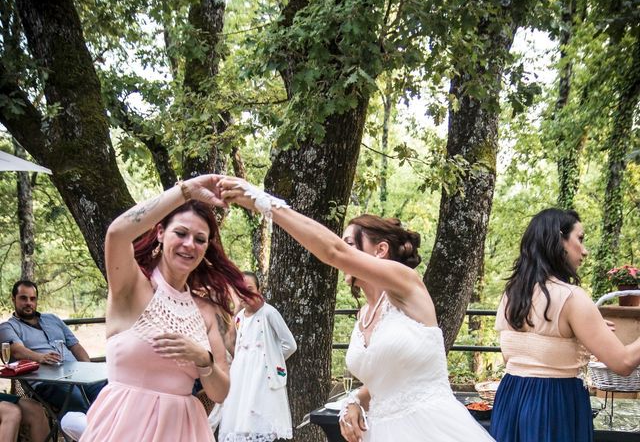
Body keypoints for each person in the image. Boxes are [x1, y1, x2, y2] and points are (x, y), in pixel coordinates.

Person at [217, 176, 494, 442]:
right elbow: (386, 382)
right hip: (382, 431)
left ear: (380, 250)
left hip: (433, 429)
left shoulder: (407, 287)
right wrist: (355, 400)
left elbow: (333, 252)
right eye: (345, 244)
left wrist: (262, 202)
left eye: (350, 243)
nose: (343, 254)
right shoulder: (363, 317)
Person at [79, 176, 256, 442]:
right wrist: (184, 192)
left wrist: (202, 359)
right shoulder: (132, 287)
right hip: (123, 429)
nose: (189, 245)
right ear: (160, 233)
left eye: (200, 239)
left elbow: (220, 392)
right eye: (181, 233)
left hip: (182, 430)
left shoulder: (206, 311)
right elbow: (117, 233)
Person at [490, 208, 640, 442]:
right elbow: (623, 363)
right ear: (558, 240)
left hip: (511, 397)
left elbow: (516, 358)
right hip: (553, 403)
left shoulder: (511, 295)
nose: (585, 251)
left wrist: (580, 342)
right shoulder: (572, 297)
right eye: (579, 239)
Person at [0, 280, 105, 414]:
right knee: (81, 408)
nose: (29, 303)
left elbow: (75, 346)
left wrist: (89, 369)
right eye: (23, 298)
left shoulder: (52, 319)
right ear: (13, 299)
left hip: (78, 375)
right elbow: (16, 350)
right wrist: (40, 357)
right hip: (48, 383)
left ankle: (110, 432)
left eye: (33, 299)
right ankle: (88, 432)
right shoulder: (7, 327)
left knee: (109, 394)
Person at [218, 271, 297, 441]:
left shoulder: (269, 313)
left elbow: (289, 344)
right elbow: (234, 343)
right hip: (242, 378)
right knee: (241, 418)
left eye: (249, 289)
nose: (245, 294)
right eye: (240, 290)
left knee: (259, 418)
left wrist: (270, 359)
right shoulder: (239, 318)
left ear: (259, 290)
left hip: (263, 379)